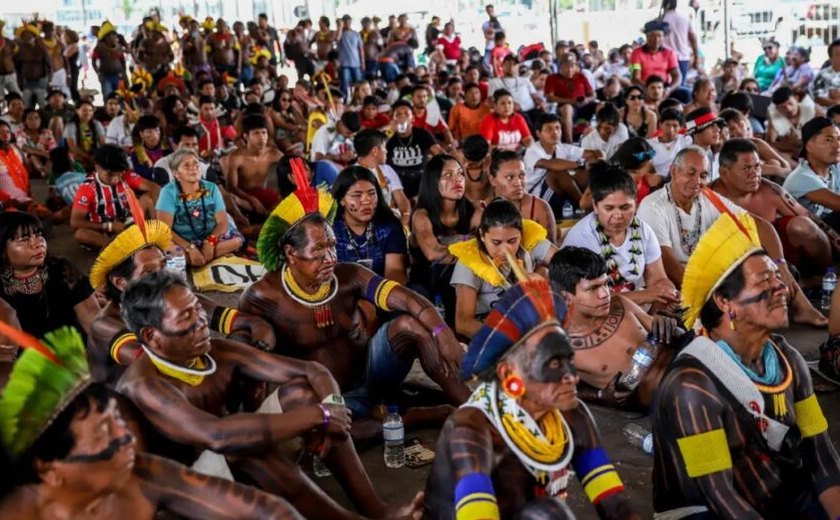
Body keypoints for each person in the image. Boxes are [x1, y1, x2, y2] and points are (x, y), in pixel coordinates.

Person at [117, 270, 418, 519]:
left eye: (198, 309)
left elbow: (313, 371)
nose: (200, 322)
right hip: (182, 492)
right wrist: (318, 416)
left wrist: (332, 408)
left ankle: (376, 510)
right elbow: (218, 435)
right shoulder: (145, 384)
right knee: (244, 447)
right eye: (186, 318)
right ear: (151, 336)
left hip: (228, 460)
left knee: (301, 394)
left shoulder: (217, 352)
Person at [241, 164, 468, 429]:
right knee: (334, 433)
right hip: (329, 401)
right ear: (291, 253)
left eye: (332, 247)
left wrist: (443, 333)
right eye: (318, 251)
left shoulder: (348, 275)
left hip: (373, 371)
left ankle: (474, 408)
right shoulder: (262, 295)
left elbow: (406, 298)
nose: (330, 259)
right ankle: (417, 417)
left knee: (410, 325)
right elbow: (245, 358)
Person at [0, 325, 305, 519]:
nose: (126, 438)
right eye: (104, 434)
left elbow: (269, 512)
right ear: (48, 468)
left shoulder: (141, 474)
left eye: (117, 421)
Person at [653, 211, 840, 518]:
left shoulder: (789, 359)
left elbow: (820, 453)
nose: (782, 288)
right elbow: (718, 494)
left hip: (777, 493)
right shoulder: (690, 386)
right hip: (709, 511)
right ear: (725, 302)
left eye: (778, 278)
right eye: (765, 280)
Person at [423, 274, 637, 519]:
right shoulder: (472, 428)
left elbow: (614, 504)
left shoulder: (572, 414)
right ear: (508, 373)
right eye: (554, 364)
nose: (571, 376)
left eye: (569, 361)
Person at [637, 145, 827, 325]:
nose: (697, 181)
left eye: (703, 175)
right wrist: (719, 294)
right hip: (676, 283)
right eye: (690, 173)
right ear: (673, 171)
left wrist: (780, 264)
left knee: (757, 253)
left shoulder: (707, 197)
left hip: (707, 274)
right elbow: (670, 266)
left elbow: (760, 225)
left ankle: (800, 306)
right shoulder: (653, 206)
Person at [87, 217, 275, 385]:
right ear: (121, 283)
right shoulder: (107, 324)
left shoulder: (177, 299)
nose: (162, 276)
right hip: (133, 412)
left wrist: (259, 349)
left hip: (175, 392)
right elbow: (160, 364)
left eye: (163, 266)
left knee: (242, 339)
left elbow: (251, 322)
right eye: (149, 272)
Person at [550, 246, 679, 408]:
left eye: (605, 284)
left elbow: (662, 329)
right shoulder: (559, 347)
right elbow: (554, 390)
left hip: (684, 362)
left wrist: (666, 324)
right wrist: (599, 396)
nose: (605, 294)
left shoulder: (620, 303)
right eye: (593, 289)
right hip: (664, 400)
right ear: (566, 297)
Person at [711, 138, 838, 276]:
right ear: (724, 173)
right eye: (746, 168)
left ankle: (824, 278)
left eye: (757, 166)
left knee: (803, 225)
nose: (755, 174)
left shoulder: (771, 190)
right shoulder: (708, 197)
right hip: (732, 263)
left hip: (779, 257)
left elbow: (812, 219)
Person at [564, 161, 677, 307]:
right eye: (609, 208)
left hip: (636, 309)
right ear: (595, 206)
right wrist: (647, 295)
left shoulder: (643, 230)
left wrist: (666, 295)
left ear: (636, 203)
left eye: (625, 207)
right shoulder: (583, 238)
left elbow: (658, 279)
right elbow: (594, 299)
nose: (618, 216)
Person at [450, 198, 556, 338]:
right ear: (482, 235)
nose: (505, 249)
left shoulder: (530, 241)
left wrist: (542, 274)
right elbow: (463, 323)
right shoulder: (469, 264)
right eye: (496, 242)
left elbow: (563, 263)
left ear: (521, 234)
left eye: (512, 241)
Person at [0, 210, 99, 340]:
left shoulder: (61, 269)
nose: (37, 243)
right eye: (24, 239)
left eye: (38, 235)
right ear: (2, 250)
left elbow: (91, 315)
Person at [408, 154, 480, 323]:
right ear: (433, 181)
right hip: (424, 282)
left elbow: (486, 246)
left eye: (460, 173)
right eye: (448, 175)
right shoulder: (421, 215)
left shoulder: (474, 212)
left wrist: (451, 245)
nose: (457, 180)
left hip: (462, 281)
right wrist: (467, 246)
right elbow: (433, 253)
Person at [155, 149, 243, 267]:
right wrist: (189, 247)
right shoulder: (168, 192)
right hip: (182, 240)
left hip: (211, 237)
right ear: (176, 173)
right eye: (187, 165)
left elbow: (222, 222)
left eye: (196, 163)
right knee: (169, 249)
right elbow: (164, 229)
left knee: (236, 242)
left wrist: (210, 242)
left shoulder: (211, 188)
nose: (194, 168)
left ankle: (197, 258)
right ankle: (201, 257)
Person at [70, 144, 159, 250]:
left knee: (148, 198)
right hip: (103, 229)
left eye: (119, 174)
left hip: (127, 222)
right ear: (97, 167)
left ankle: (156, 234)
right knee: (80, 234)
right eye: (109, 174)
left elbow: (155, 188)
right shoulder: (87, 188)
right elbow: (75, 222)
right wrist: (109, 226)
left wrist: (152, 216)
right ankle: (115, 247)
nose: (115, 179)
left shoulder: (127, 175)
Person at [331, 165, 408, 283]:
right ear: (342, 200)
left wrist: (381, 297)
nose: (366, 201)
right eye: (357, 195)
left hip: (382, 295)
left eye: (372, 193)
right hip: (340, 295)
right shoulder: (329, 230)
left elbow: (395, 272)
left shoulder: (389, 227)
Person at [524, 113, 599, 213]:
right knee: (557, 173)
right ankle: (585, 207)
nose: (554, 132)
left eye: (557, 128)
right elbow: (551, 164)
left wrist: (599, 158)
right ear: (538, 133)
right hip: (538, 198)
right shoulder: (532, 150)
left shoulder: (562, 147)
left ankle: (594, 203)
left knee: (586, 173)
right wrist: (581, 164)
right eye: (549, 129)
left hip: (558, 195)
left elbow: (594, 154)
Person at [782, 118, 840, 231]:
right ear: (809, 146)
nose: (837, 145)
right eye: (829, 140)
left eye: (839, 139)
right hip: (814, 233)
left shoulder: (835, 167)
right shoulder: (802, 177)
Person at [489, 150, 557, 243]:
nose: (518, 183)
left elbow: (552, 253)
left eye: (521, 175)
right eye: (510, 177)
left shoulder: (540, 208)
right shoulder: (484, 208)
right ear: (492, 180)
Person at [224, 115, 283, 221]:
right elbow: (231, 187)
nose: (261, 137)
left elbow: (291, 167)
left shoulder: (273, 153)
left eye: (264, 133)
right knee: (231, 199)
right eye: (256, 133)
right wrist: (252, 200)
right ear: (246, 136)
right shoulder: (236, 157)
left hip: (264, 193)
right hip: (243, 196)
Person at [354, 128, 411, 227]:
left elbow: (403, 202)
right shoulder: (352, 175)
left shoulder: (387, 170)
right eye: (384, 147)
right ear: (375, 151)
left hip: (392, 223)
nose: (387, 151)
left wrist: (403, 221)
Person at [386, 99, 442, 199]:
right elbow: (375, 151)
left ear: (412, 119)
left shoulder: (422, 134)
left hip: (419, 177)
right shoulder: (389, 136)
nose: (402, 117)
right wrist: (389, 132)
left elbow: (439, 153)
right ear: (393, 119)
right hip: (395, 179)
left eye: (406, 114)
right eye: (398, 114)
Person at [630, 20, 681, 97]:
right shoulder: (637, 53)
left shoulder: (669, 53)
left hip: (664, 88)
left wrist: (669, 89)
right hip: (644, 88)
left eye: (659, 36)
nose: (656, 39)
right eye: (652, 36)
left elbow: (677, 75)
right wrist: (648, 90)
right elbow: (635, 78)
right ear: (647, 36)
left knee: (685, 94)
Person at [766, 86, 818, 160]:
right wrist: (785, 146)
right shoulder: (774, 116)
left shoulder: (811, 110)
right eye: (783, 107)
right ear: (777, 108)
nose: (788, 109)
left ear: (796, 99)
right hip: (788, 153)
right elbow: (770, 143)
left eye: (790, 103)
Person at [660, 0, 698, 85]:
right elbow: (693, 39)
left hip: (664, 58)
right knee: (680, 83)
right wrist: (696, 57)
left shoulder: (660, 20)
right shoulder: (685, 19)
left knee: (665, 84)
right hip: (682, 57)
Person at [63, 99, 105, 170]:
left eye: (90, 110)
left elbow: (102, 143)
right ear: (77, 111)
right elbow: (72, 146)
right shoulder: (71, 125)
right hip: (78, 154)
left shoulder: (97, 124)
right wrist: (88, 157)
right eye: (84, 110)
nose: (88, 113)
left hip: (94, 153)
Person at [647, 108, 690, 176]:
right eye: (667, 125)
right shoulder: (649, 144)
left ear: (681, 127)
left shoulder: (686, 140)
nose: (670, 129)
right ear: (660, 124)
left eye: (675, 126)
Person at [684, 107, 724, 180]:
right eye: (710, 126)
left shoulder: (712, 152)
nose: (718, 129)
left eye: (716, 125)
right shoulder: (688, 158)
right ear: (696, 132)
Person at [460, 134, 494, 206]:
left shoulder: (491, 163)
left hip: (487, 204)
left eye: (475, 163)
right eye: (468, 161)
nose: (470, 165)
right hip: (464, 205)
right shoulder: (456, 159)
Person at [813, 38, 840, 108]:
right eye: (838, 54)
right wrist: (836, 102)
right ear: (831, 58)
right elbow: (818, 98)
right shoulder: (822, 75)